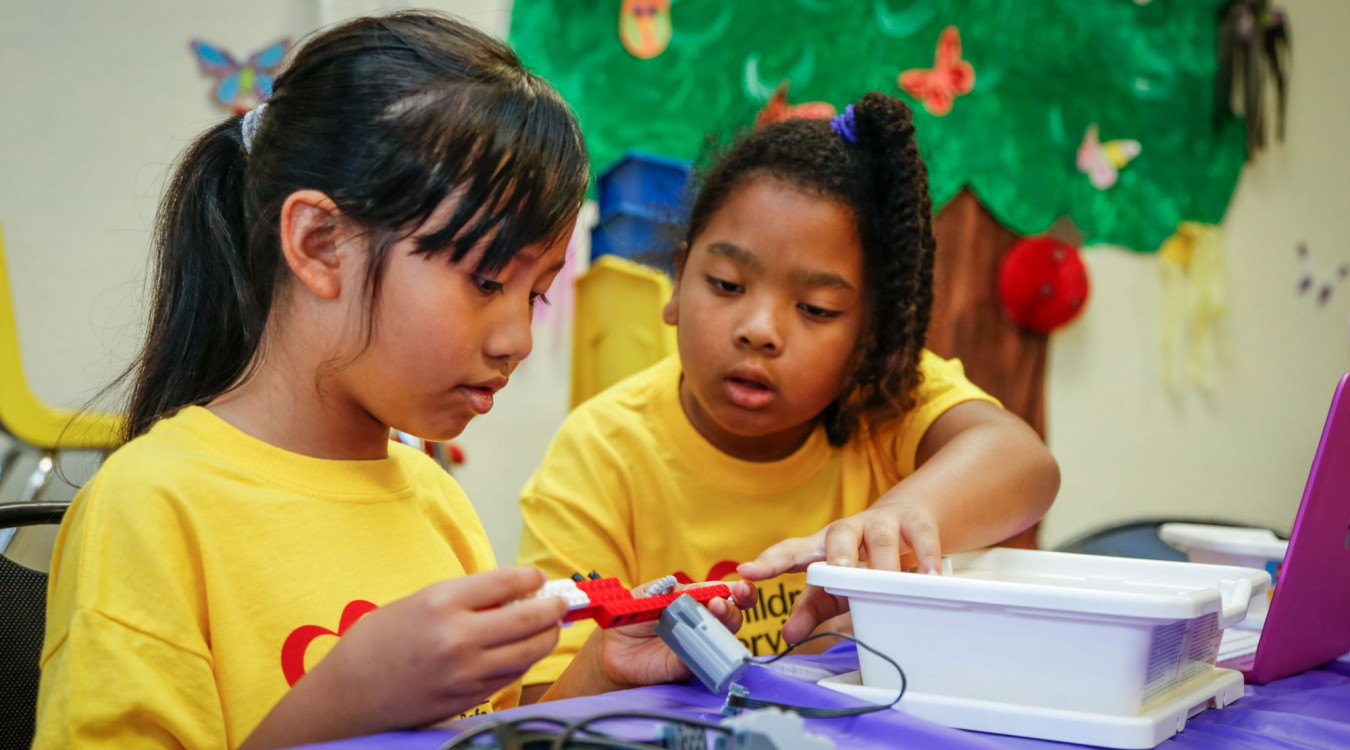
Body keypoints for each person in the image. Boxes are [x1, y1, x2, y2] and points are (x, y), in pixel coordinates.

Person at [33, 12, 753, 749]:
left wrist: (601, 672)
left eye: (536, 294)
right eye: (486, 280)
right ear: (321, 244)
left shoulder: (436, 501)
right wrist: (346, 701)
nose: (518, 340)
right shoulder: (148, 509)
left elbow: (485, 735)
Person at [516, 93, 1060, 700]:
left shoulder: (886, 397)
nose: (760, 330)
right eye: (726, 284)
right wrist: (609, 666)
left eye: (816, 309)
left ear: (869, 336)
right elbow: (536, 711)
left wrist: (897, 517)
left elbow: (1024, 463)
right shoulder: (602, 450)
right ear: (678, 281)